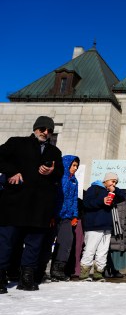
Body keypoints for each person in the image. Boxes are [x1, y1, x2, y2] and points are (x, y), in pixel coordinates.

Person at [0, 116, 63, 294]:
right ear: (35, 128)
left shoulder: (54, 151)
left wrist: (52, 171)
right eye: (42, 128)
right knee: (7, 240)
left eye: (49, 130)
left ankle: (27, 276)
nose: (45, 132)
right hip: (15, 202)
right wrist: (11, 171)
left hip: (40, 205)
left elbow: (59, 173)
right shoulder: (17, 143)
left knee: (34, 242)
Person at [80, 172, 126, 281]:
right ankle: (84, 274)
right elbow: (86, 203)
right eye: (112, 181)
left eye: (115, 182)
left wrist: (114, 190)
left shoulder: (112, 192)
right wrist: (102, 200)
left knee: (103, 251)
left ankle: (98, 273)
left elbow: (123, 197)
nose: (113, 184)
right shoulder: (94, 189)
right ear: (105, 180)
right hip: (94, 226)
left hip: (107, 227)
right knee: (90, 250)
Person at [50, 155, 80, 281]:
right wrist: (50, 214)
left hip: (67, 217)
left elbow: (74, 199)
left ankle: (58, 270)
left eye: (77, 166)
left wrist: (75, 215)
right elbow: (52, 197)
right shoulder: (57, 178)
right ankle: (38, 269)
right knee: (47, 242)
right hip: (54, 215)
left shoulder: (74, 181)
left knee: (67, 241)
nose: (75, 168)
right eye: (73, 165)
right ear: (66, 164)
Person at [103, 191, 126, 278]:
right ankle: (106, 269)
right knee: (109, 249)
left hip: (122, 227)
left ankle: (115, 269)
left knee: (118, 249)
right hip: (112, 226)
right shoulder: (108, 194)